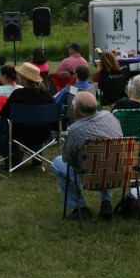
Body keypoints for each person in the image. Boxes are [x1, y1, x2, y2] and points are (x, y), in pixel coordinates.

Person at [52, 91, 123, 221]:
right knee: (106, 158)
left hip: (90, 179)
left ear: (77, 111)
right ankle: (106, 202)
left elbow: (66, 158)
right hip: (116, 174)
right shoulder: (110, 116)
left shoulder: (74, 130)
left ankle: (79, 208)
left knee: (57, 162)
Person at [0, 63, 55, 161]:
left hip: (19, 134)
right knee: (37, 123)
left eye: (19, 75)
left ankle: (13, 159)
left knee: (5, 124)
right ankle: (37, 159)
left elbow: (4, 114)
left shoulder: (17, 95)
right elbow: (54, 115)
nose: (17, 77)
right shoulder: (47, 94)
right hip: (43, 134)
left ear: (25, 79)